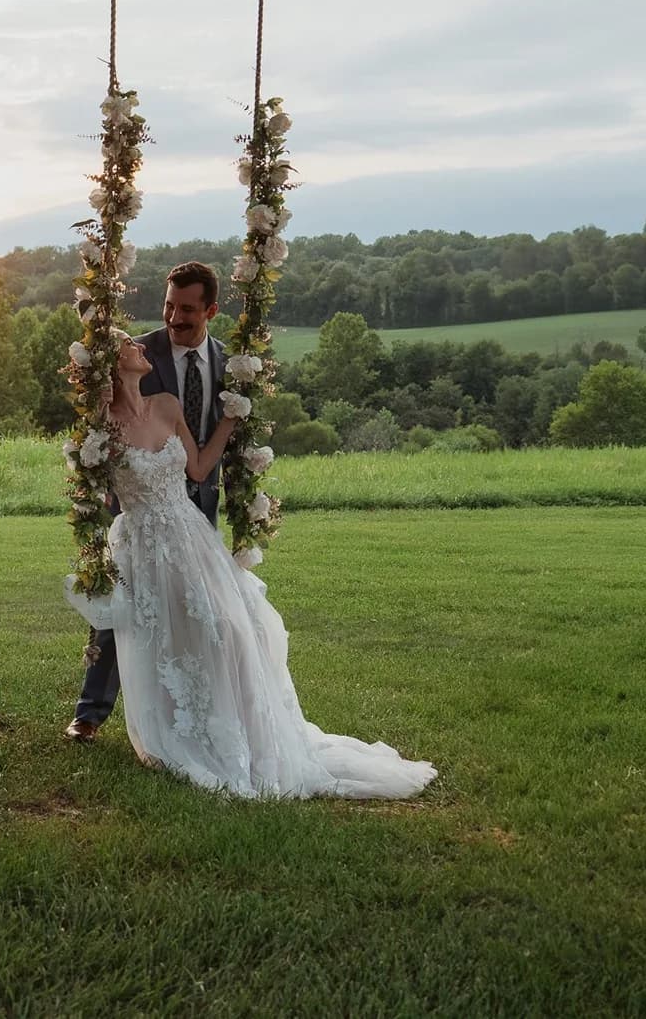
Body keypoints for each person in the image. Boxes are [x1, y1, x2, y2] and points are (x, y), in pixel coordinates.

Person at [63, 329, 438, 800]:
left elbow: (198, 470)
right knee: (170, 638)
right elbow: (93, 488)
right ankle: (184, 732)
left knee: (231, 629)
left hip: (193, 537)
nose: (140, 347)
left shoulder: (166, 406)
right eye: (127, 345)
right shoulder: (101, 427)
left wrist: (230, 420)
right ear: (111, 365)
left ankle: (240, 730)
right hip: (144, 545)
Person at [66, 261, 227, 743]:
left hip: (196, 509)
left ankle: (200, 711)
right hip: (140, 511)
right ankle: (92, 711)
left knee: (201, 614)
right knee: (125, 612)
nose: (175, 318)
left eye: (188, 310)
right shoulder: (141, 352)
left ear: (210, 311)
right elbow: (101, 440)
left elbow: (203, 456)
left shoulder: (228, 361)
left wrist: (238, 418)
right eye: (169, 306)